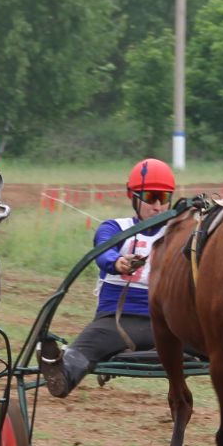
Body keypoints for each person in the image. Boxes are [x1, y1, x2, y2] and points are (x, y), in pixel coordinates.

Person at [38, 158, 177, 398]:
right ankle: (62, 372)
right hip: (116, 323)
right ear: (131, 195)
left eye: (163, 198)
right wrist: (117, 263)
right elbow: (102, 251)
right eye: (151, 197)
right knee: (84, 348)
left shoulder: (179, 233)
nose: (157, 206)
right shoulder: (114, 227)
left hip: (168, 324)